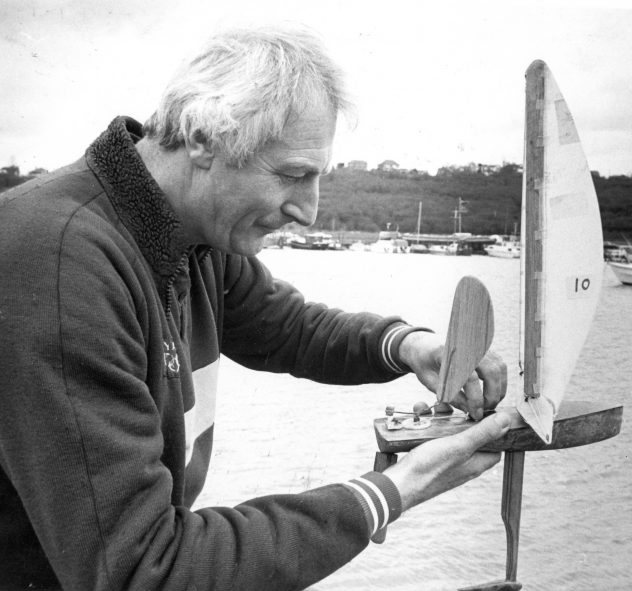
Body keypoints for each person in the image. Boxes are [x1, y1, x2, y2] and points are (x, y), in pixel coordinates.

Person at [0, 26, 509, 590]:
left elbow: (285, 328)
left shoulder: (189, 234)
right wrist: (393, 490)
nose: (308, 211)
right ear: (201, 138)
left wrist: (411, 345)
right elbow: (145, 569)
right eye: (292, 175)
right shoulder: (57, 260)